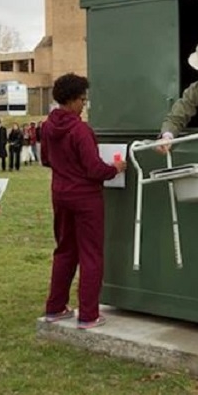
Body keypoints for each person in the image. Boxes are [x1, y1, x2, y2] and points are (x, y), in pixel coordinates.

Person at [41, 73, 126, 330]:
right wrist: (116, 168)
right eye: (83, 99)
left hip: (60, 194)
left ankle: (55, 308)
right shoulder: (80, 130)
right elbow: (93, 169)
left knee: (65, 250)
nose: (84, 104)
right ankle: (88, 314)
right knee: (91, 254)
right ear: (74, 100)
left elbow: (46, 159)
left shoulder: (47, 126)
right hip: (86, 198)